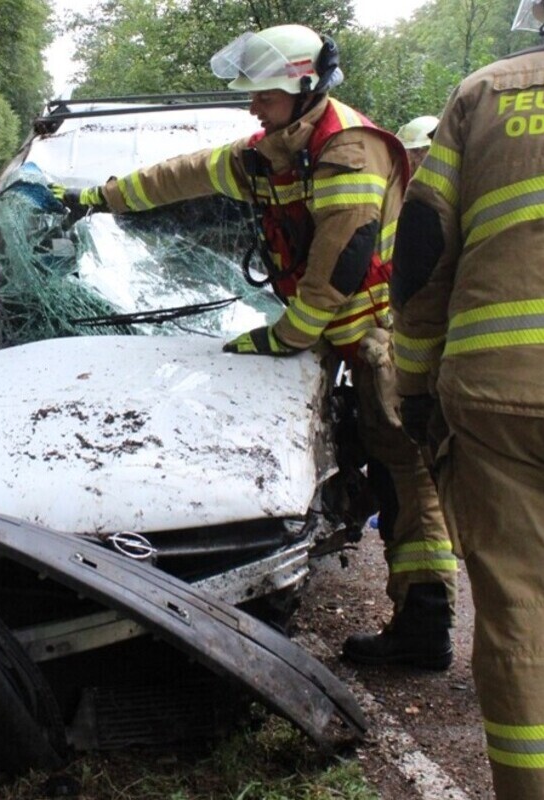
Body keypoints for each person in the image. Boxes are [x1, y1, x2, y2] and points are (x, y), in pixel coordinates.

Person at [54, 23, 458, 669]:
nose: (252, 108)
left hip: (382, 337)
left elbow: (337, 275)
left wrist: (279, 338)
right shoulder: (273, 151)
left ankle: (426, 624)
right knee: (389, 473)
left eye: (263, 96)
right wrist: (101, 197)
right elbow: (184, 175)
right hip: (341, 337)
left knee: (403, 475)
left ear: (304, 89)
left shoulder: (349, 152)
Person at [391, 0, 544, 794]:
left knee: (519, 609)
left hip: (500, 396)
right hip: (499, 397)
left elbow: (421, 257)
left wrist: (412, 386)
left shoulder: (485, 94)